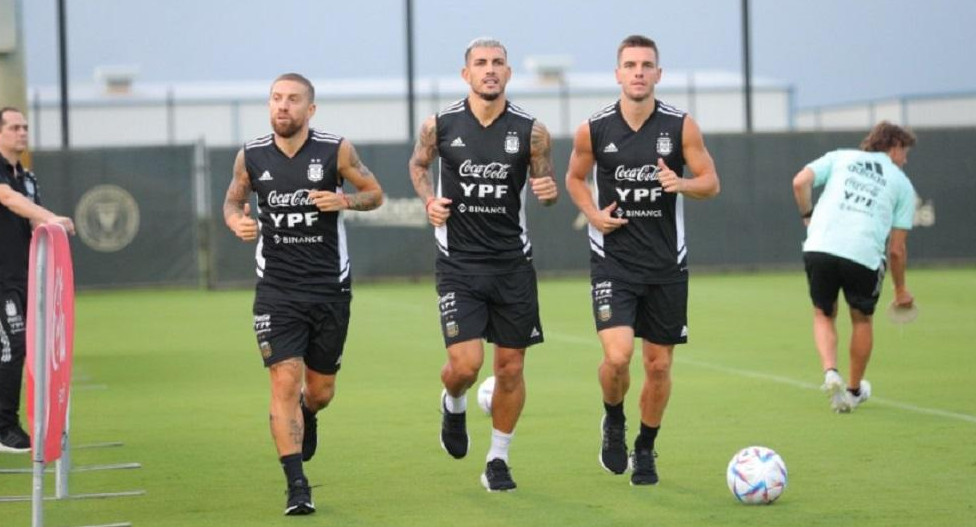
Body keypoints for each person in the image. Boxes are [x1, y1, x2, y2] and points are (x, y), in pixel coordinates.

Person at [223, 74, 383, 515]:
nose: (283, 106)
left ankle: (308, 415)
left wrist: (345, 202)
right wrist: (236, 221)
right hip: (277, 291)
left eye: (293, 100)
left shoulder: (336, 150)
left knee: (320, 390)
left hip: (329, 289)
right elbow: (233, 202)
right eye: (276, 98)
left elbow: (375, 193)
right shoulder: (251, 156)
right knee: (284, 380)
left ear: (310, 109)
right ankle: (297, 485)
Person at [564, 35, 720, 486]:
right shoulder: (593, 128)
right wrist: (593, 214)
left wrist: (682, 185)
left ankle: (646, 448)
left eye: (646, 65)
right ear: (617, 74)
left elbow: (710, 182)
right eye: (630, 65)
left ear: (658, 74)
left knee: (659, 365)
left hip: (666, 265)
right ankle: (614, 418)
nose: (638, 72)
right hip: (614, 261)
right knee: (618, 357)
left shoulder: (681, 126)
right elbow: (575, 178)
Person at [407, 37, 558, 492]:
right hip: (459, 265)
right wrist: (429, 200)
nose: (489, 70)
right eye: (480, 63)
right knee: (467, 365)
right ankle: (452, 401)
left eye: (497, 63)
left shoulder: (532, 131)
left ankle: (498, 459)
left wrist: (548, 193)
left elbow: (543, 184)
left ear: (508, 73)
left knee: (510, 368)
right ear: (466, 74)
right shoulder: (440, 125)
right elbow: (417, 166)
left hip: (513, 265)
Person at [792, 121, 917, 413]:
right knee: (861, 320)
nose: (906, 160)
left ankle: (830, 371)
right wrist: (900, 291)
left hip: (819, 246)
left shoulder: (841, 157)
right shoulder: (902, 185)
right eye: (905, 152)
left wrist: (807, 215)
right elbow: (897, 250)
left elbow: (799, 182)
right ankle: (853, 390)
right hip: (862, 254)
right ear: (894, 147)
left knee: (824, 313)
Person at [0, 107, 75, 453]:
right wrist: (52, 217)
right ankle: (5, 427)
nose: (22, 132)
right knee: (11, 348)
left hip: (25, 276)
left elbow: (34, 222)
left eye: (25, 127)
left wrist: (49, 225)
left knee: (30, 350)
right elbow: (8, 199)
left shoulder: (27, 177)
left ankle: (38, 425)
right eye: (15, 127)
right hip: (2, 278)